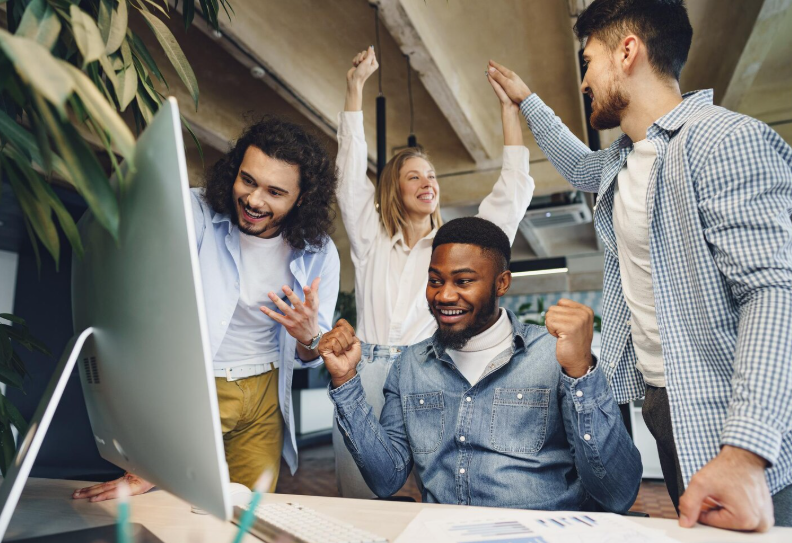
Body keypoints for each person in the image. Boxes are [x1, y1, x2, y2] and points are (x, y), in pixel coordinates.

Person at [486, 0, 792, 531]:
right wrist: (527, 102)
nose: (583, 80)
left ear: (628, 51)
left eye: (588, 62)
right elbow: (578, 163)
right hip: (664, 400)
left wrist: (746, 451)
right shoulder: (624, 159)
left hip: (737, 413)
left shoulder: (723, 139)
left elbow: (775, 293)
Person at [72, 117, 341, 501]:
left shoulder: (319, 252)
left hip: (265, 395)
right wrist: (147, 452)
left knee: (249, 512)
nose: (253, 200)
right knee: (172, 504)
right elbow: (141, 309)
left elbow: (313, 353)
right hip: (198, 385)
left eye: (275, 192)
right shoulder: (192, 213)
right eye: (247, 180)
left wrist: (308, 335)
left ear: (302, 199)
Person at [322, 217, 642, 511]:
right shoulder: (410, 366)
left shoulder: (552, 356)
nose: (444, 295)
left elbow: (618, 492)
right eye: (436, 280)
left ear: (501, 283)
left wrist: (581, 372)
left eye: (463, 281)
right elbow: (386, 478)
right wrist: (346, 381)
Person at [333, 46, 535, 498]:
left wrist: (509, 111)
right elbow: (348, 172)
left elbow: (512, 193)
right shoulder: (370, 238)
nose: (429, 183)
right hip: (366, 371)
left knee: (440, 492)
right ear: (393, 188)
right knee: (359, 490)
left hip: (430, 371)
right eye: (414, 176)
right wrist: (355, 87)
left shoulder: (455, 248)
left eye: (433, 176)